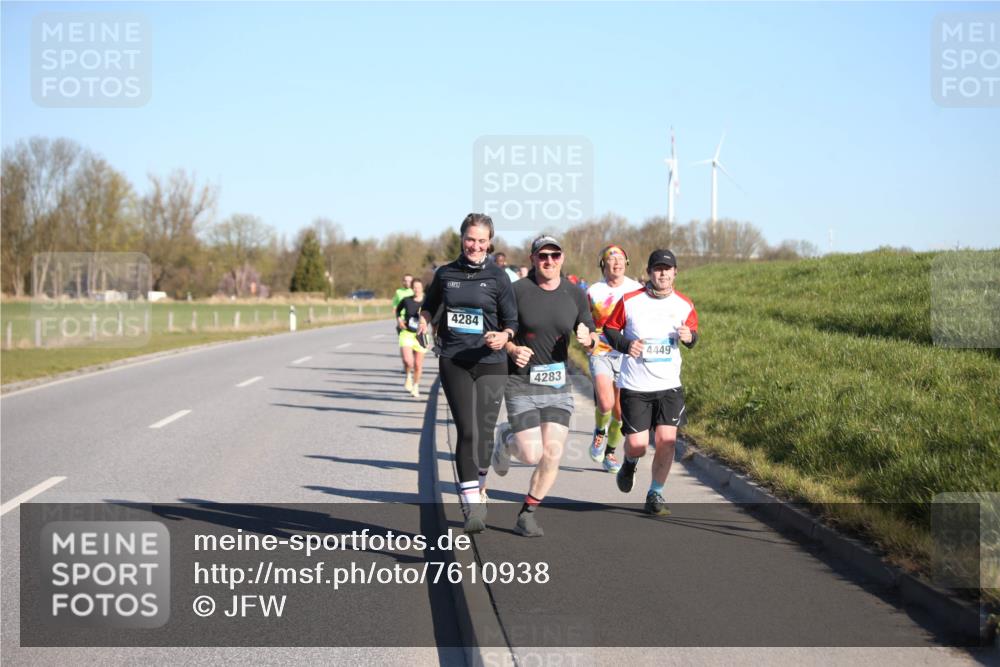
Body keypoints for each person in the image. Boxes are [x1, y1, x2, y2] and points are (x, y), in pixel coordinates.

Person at [492, 236, 598, 537]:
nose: (549, 261)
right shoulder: (518, 291)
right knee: (530, 454)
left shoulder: (575, 294)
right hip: (521, 382)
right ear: (533, 259)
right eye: (543, 256)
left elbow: (591, 333)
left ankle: (527, 513)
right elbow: (501, 332)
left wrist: (587, 337)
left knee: (552, 451)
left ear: (562, 259)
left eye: (554, 255)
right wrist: (512, 349)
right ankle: (505, 437)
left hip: (557, 385)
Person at [419, 214, 518, 533]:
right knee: (468, 430)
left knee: (485, 432)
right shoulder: (446, 273)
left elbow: (512, 321)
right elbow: (430, 306)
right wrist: (423, 320)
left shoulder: (498, 276)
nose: (475, 246)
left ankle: (480, 483)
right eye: (470, 239)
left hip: (491, 361)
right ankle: (470, 502)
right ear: (461, 239)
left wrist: (504, 337)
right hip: (455, 359)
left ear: (490, 242)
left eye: (481, 240)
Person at [602, 249, 699, 516]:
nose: (663, 273)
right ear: (649, 272)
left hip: (669, 385)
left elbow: (693, 337)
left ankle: (655, 493)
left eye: (668, 269)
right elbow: (610, 329)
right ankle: (630, 462)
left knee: (667, 440)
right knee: (638, 444)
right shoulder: (631, 300)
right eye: (658, 269)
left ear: (675, 272)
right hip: (636, 385)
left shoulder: (684, 304)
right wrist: (626, 344)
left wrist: (689, 337)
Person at [585, 245, 642, 473]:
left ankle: (610, 452)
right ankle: (599, 432)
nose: (616, 263)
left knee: (620, 413)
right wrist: (586, 338)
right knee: (605, 403)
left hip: (627, 353)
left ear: (626, 263)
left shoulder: (637, 290)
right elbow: (584, 320)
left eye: (621, 259)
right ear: (603, 264)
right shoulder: (593, 291)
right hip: (601, 350)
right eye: (611, 259)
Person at [397, 278, 430, 398]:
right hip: (407, 333)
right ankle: (408, 375)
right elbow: (398, 310)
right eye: (414, 287)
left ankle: (416, 386)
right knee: (408, 361)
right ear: (412, 288)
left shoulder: (428, 301)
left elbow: (436, 314)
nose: (417, 289)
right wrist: (399, 319)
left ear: (422, 288)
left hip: (421, 335)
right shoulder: (406, 300)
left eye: (419, 287)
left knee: (417, 364)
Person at [392, 274, 414, 373]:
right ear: (403, 281)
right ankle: (405, 364)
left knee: (414, 344)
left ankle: (412, 361)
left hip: (414, 321)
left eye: (409, 281)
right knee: (404, 344)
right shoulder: (398, 292)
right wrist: (398, 318)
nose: (407, 282)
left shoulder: (415, 291)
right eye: (405, 280)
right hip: (402, 321)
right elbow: (395, 305)